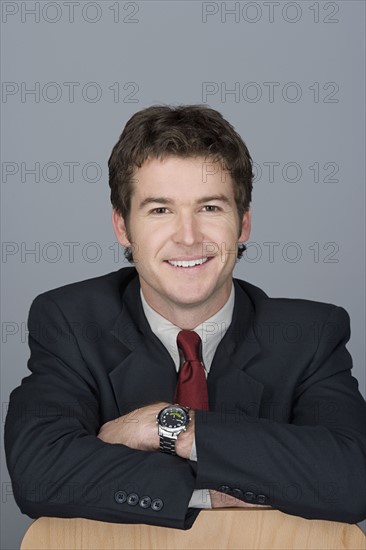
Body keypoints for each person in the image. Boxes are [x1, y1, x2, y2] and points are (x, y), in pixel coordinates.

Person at [5, 105, 366, 530]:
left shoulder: (310, 335)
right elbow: (41, 475)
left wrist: (166, 426)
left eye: (210, 208)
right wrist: (216, 492)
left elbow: (352, 478)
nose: (188, 237)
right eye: (160, 210)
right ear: (123, 227)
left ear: (243, 224)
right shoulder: (69, 321)